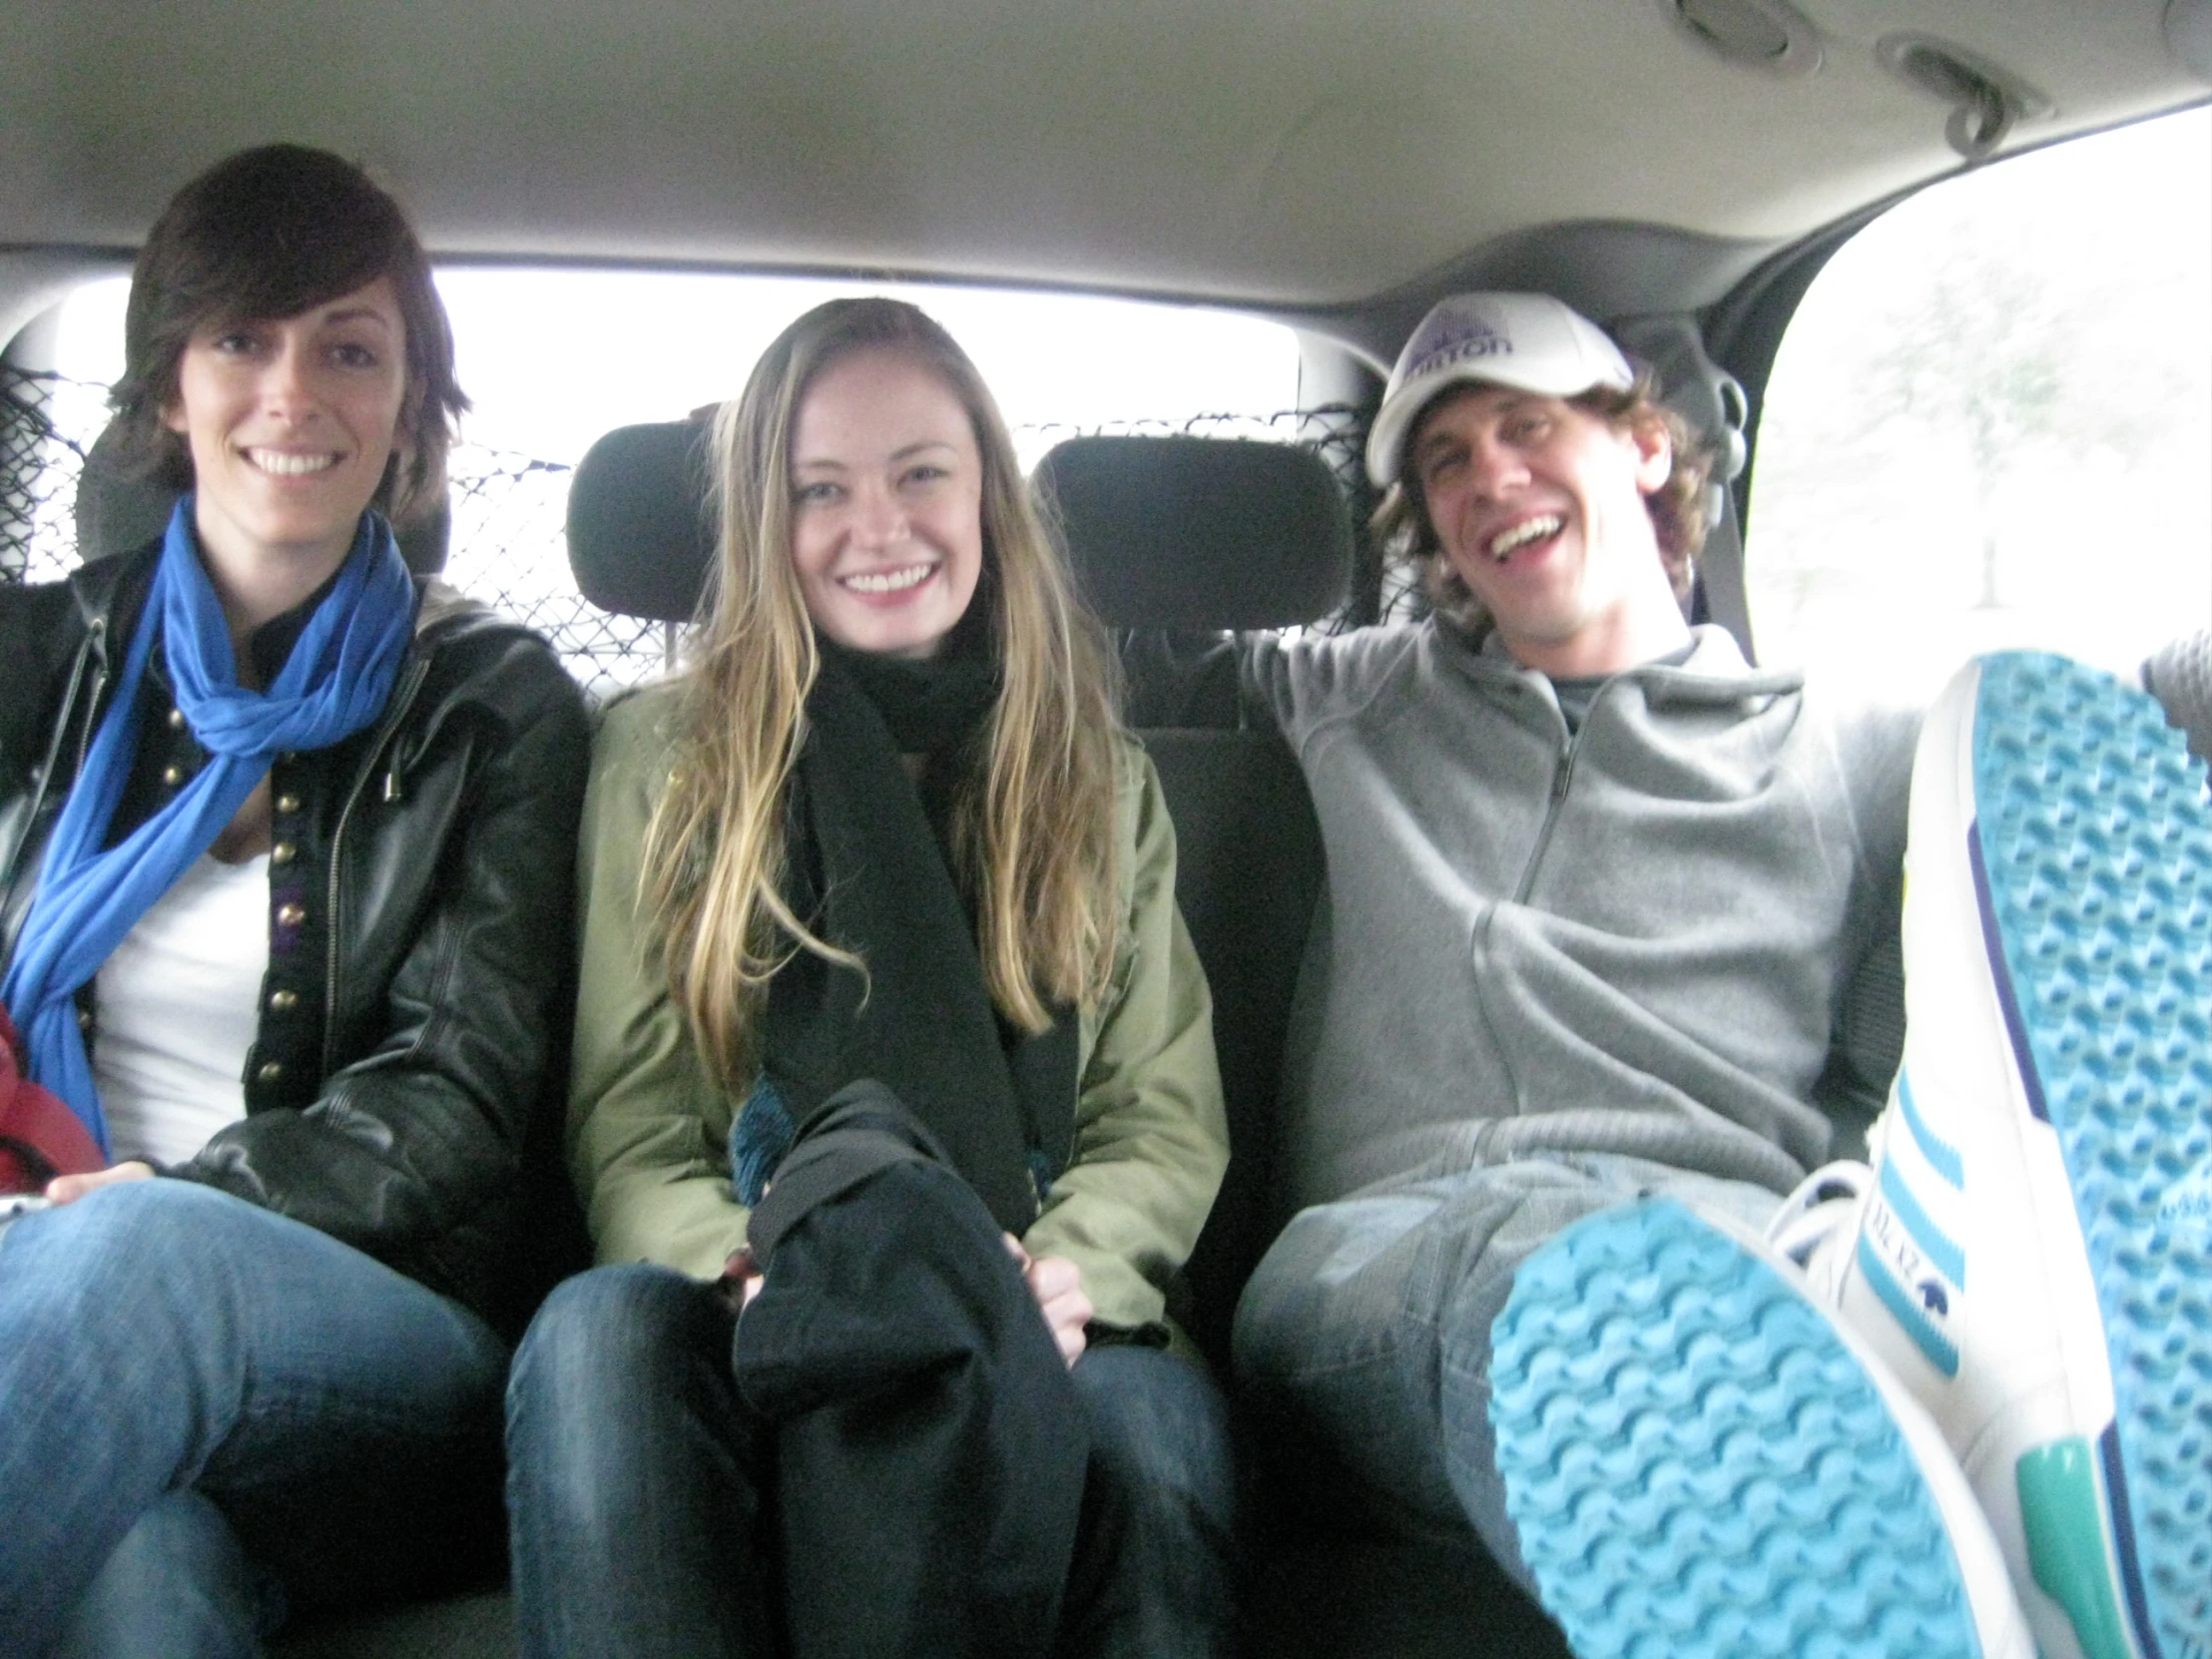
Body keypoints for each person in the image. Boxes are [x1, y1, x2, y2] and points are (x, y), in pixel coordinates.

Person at [1209, 291, 2211, 1658]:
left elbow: (2116, 745)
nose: (1486, 476)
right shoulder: (1355, 698)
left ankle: (2029, 1428)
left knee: (1775, 1295)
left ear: (1646, 451)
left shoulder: (1842, 743)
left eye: (1525, 426)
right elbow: (1058, 666)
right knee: (1565, 1295)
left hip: (1749, 1243)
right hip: (1387, 1265)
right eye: (1445, 461)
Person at [505, 296, 1235, 1659]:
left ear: (990, 500)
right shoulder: (665, 760)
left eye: (921, 475)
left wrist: (1049, 1282)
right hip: (764, 1300)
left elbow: (1159, 1116)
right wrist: (744, 1279)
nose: (879, 527)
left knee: (1150, 1440)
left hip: (1053, 1307)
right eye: (819, 489)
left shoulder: (1094, 772)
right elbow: (636, 1120)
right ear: (761, 524)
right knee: (595, 1337)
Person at [0, 144, 590, 1657]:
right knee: (142, 1564)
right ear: (165, 393)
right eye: (241, 341)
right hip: (44, 1294)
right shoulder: (45, 664)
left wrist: (180, 1197)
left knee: (138, 1262)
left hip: (369, 1325)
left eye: (350, 349)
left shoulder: (490, 705)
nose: (293, 394)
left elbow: (455, 1099)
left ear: (408, 411)